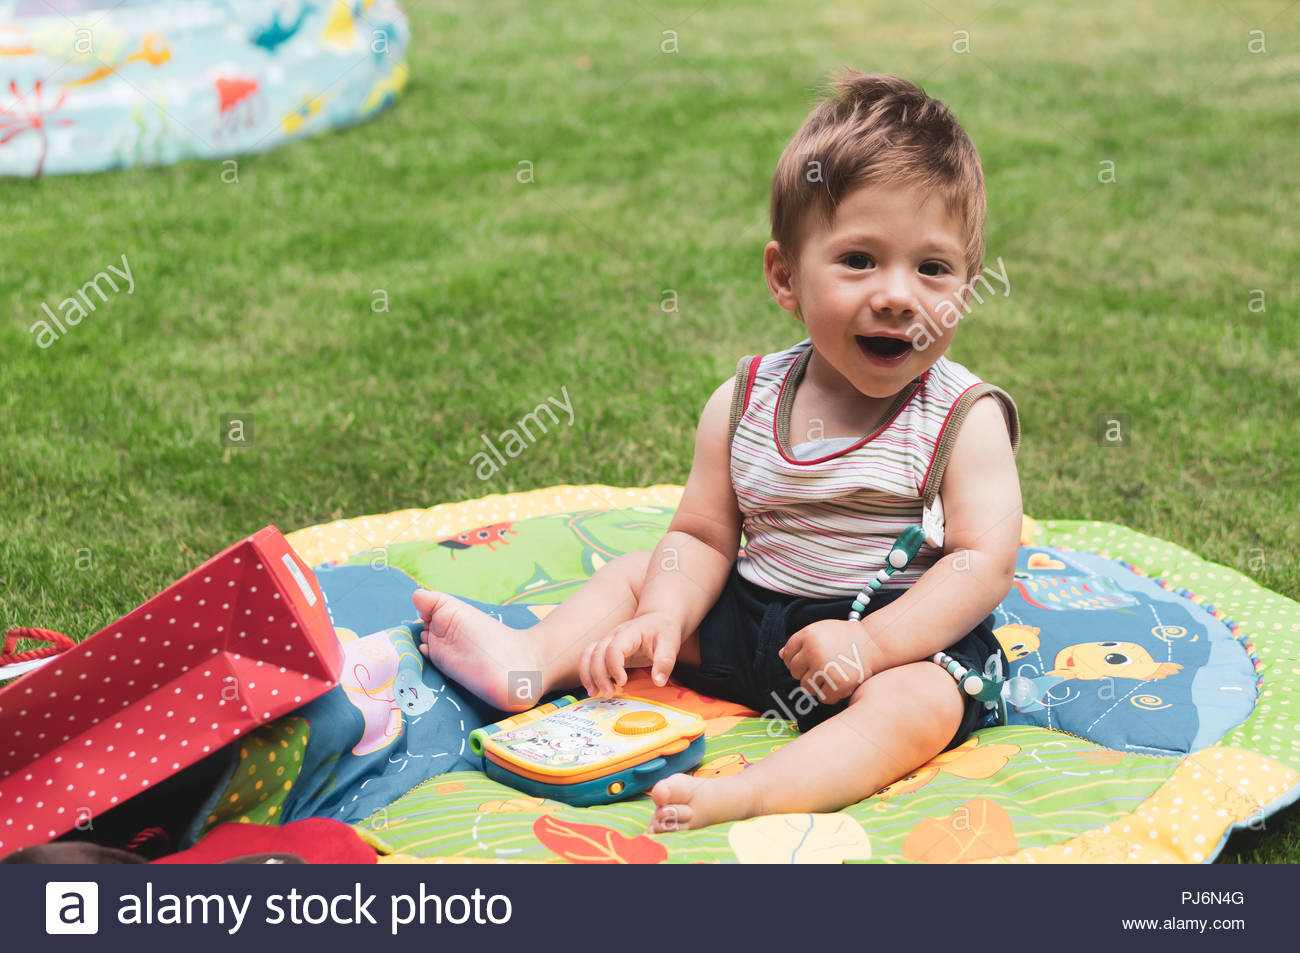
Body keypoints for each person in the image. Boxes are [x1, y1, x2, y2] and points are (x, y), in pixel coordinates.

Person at [413, 69, 1023, 833]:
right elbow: (703, 535)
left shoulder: (962, 417)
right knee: (638, 575)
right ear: (785, 277)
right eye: (860, 260)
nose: (898, 294)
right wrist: (663, 619)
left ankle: (762, 789)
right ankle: (527, 661)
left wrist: (869, 645)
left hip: (896, 636)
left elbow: (981, 561)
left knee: (925, 703)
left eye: (932, 268)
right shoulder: (745, 400)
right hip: (756, 625)